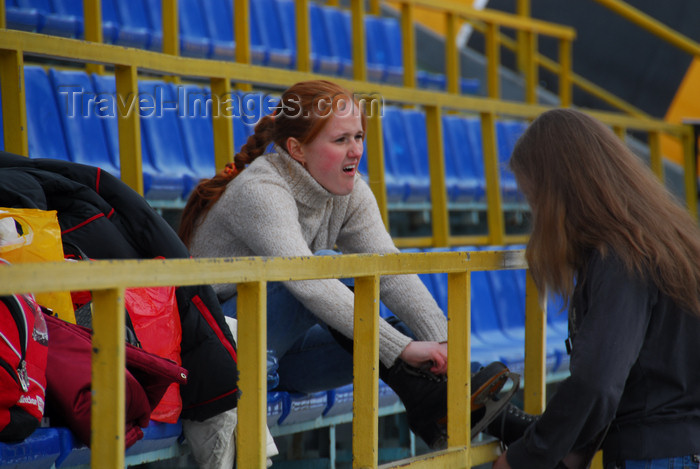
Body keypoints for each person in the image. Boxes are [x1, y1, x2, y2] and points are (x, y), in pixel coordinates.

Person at [178, 79, 517, 451]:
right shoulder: (260, 189)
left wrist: (444, 343)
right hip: (217, 348)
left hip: (282, 357)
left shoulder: (351, 189)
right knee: (323, 268)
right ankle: (506, 428)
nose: (355, 150)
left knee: (414, 336)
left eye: (358, 136)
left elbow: (391, 272)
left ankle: (513, 431)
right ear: (297, 149)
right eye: (340, 140)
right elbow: (307, 282)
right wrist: (402, 350)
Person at [494, 108, 700, 469]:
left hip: (655, 456)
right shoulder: (661, 240)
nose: (536, 220)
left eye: (535, 203)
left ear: (561, 195)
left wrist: (525, 458)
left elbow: (598, 381)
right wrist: (575, 454)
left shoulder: (621, 257)